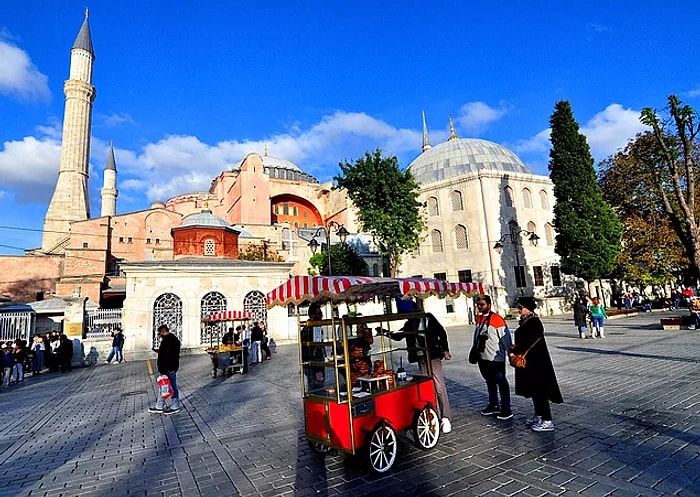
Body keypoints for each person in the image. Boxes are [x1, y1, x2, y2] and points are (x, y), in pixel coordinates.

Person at [383, 299, 453, 434]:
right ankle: (432, 413)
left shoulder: (429, 318)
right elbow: (400, 335)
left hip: (432, 355)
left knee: (439, 386)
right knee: (427, 386)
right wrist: (385, 332)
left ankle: (445, 417)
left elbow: (441, 332)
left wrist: (445, 349)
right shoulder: (409, 323)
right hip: (420, 357)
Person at [509, 297, 563, 432]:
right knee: (534, 390)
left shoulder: (534, 322)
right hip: (530, 362)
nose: (519, 310)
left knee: (540, 390)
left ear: (528, 308)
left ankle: (547, 420)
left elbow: (529, 342)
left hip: (537, 362)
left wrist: (515, 349)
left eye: (521, 308)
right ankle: (538, 414)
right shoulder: (526, 321)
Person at [472, 295, 513, 420]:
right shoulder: (479, 318)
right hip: (483, 357)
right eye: (478, 305)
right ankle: (493, 404)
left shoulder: (497, 319)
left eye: (482, 305)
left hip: (496, 357)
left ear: (489, 305)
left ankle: (506, 408)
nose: (480, 307)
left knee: (501, 382)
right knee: (490, 382)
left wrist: (510, 353)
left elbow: (506, 339)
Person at [149, 325, 181, 415]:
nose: (160, 336)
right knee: (163, 386)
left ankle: (175, 406)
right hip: (173, 367)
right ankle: (159, 406)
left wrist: (162, 370)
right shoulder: (174, 340)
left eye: (160, 334)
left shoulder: (166, 341)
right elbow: (170, 353)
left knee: (171, 386)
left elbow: (166, 356)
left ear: (163, 332)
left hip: (168, 368)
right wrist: (159, 351)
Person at [300, 303, 326, 392]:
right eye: (319, 314)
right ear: (312, 315)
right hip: (313, 367)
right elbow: (309, 351)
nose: (321, 316)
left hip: (316, 365)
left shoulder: (314, 327)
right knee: (316, 390)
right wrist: (317, 369)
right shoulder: (310, 329)